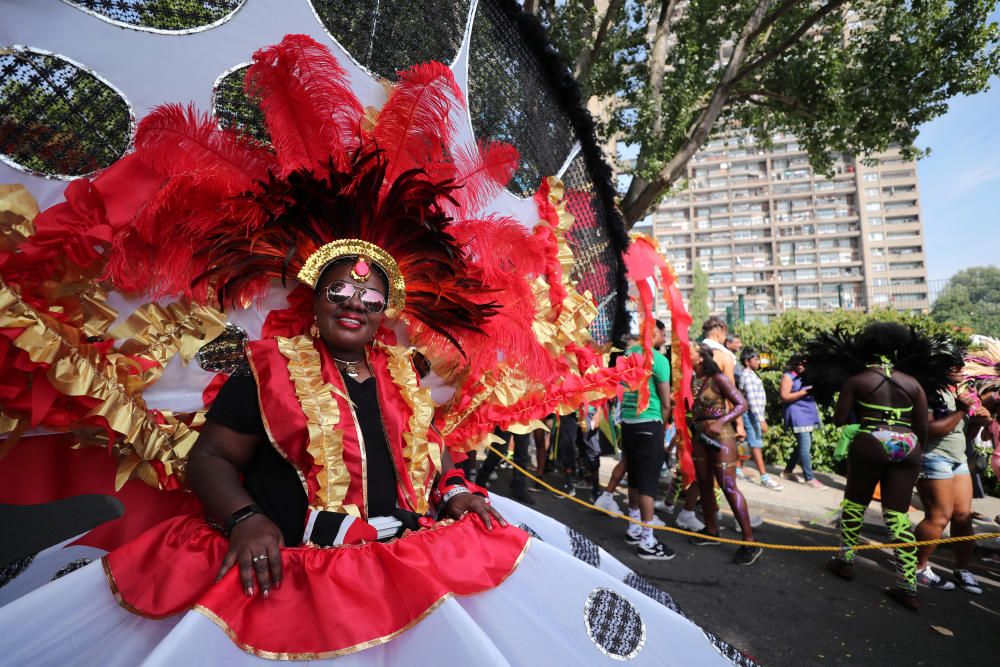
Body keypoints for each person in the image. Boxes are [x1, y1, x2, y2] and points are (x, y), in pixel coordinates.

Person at [803, 322, 960, 611]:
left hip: (871, 440)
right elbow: (922, 427)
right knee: (898, 515)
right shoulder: (913, 383)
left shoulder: (858, 380)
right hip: (909, 445)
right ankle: (908, 587)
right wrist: (914, 450)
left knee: (855, 504)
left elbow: (839, 420)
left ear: (867, 347)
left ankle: (846, 562)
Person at [913, 368, 988, 594]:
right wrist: (962, 410)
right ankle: (917, 568)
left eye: (961, 367)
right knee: (939, 516)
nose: (962, 371)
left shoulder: (958, 392)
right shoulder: (929, 391)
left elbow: (962, 433)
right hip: (933, 458)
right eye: (955, 367)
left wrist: (977, 421)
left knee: (963, 516)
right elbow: (930, 430)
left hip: (959, 459)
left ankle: (962, 570)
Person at [687, 343, 761, 565]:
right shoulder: (695, 381)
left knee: (728, 486)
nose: (683, 354)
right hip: (701, 438)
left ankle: (749, 541)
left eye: (688, 351)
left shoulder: (718, 378)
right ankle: (712, 531)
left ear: (700, 358)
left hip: (722, 438)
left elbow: (742, 404)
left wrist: (720, 422)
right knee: (704, 483)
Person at [614, 320, 676, 560]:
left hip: (628, 423)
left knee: (635, 479)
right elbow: (666, 400)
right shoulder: (658, 360)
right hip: (649, 423)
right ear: (655, 333)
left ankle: (633, 527)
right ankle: (647, 541)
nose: (665, 337)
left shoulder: (627, 355)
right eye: (663, 332)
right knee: (648, 482)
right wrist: (663, 424)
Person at [738, 348, 783, 491]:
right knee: (756, 445)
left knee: (745, 442)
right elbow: (751, 399)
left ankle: (738, 470)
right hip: (752, 414)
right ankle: (764, 477)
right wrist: (761, 419)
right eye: (755, 359)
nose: (758, 362)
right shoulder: (748, 376)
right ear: (747, 361)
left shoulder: (750, 375)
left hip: (752, 414)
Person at [779, 354, 825, 488]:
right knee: (805, 445)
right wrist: (805, 392)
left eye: (804, 364)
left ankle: (787, 471)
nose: (801, 366)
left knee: (802, 446)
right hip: (797, 414)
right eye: (798, 363)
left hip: (809, 414)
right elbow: (784, 396)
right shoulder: (788, 376)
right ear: (793, 363)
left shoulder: (809, 376)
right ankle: (809, 478)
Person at [475, 428, 536, 505]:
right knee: (498, 451)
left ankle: (519, 487)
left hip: (523, 418)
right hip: (506, 418)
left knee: (522, 453)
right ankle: (480, 482)